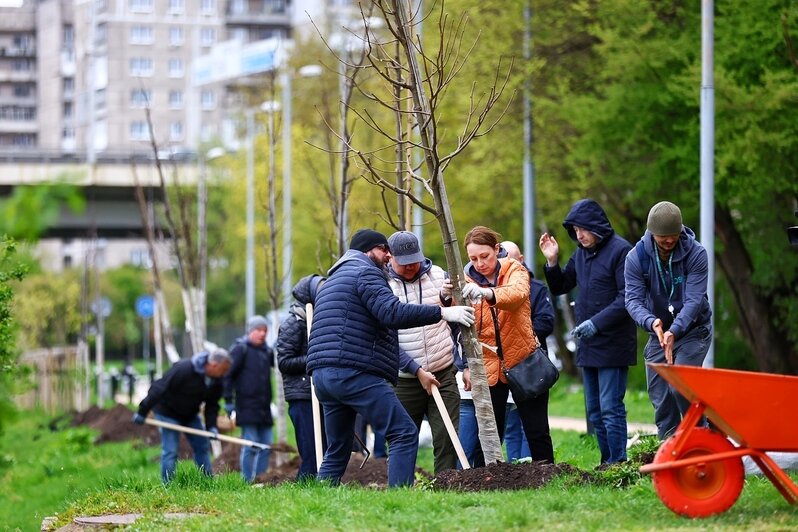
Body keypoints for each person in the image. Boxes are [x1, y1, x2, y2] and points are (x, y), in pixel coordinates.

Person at [306, 228, 476, 487]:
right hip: (352, 372)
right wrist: (442, 313)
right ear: (367, 251)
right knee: (404, 433)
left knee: (338, 445)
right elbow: (391, 313)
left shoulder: (335, 278)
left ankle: (319, 498)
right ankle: (400, 497)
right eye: (383, 250)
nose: (388, 255)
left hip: (323, 376)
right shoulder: (366, 272)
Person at [539, 199, 636, 465]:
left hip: (613, 343)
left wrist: (596, 323)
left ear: (597, 226)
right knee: (594, 412)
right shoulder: (581, 253)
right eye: (575, 230)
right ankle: (607, 462)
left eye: (583, 229)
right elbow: (561, 286)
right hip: (589, 345)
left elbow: (627, 297)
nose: (579, 235)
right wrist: (552, 261)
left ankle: (618, 462)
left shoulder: (621, 251)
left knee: (610, 408)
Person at [462, 225, 555, 464]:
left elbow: (517, 295)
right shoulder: (464, 279)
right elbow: (459, 323)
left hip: (523, 360)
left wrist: (487, 293)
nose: (480, 263)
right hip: (489, 367)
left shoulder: (515, 269)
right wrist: (445, 297)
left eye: (485, 256)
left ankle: (546, 476)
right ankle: (488, 480)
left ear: (496, 249)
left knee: (536, 431)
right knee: (490, 434)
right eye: (473, 258)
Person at [625, 200, 712, 440]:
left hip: (693, 330)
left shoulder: (696, 253)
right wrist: (651, 322)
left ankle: (700, 440)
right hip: (658, 332)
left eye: (674, 235)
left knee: (680, 387)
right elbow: (632, 301)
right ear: (652, 233)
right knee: (661, 396)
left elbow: (694, 300)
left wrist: (675, 330)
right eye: (663, 237)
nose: (669, 241)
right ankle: (670, 448)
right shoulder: (636, 258)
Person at [387, 230, 460, 474]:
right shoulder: (382, 286)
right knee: (403, 437)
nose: (410, 267)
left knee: (447, 436)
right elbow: (385, 339)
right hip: (405, 379)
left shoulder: (438, 275)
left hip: (443, 371)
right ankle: (402, 489)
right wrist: (416, 370)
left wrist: (447, 299)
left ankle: (444, 486)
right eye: (404, 263)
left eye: (414, 261)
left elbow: (456, 318)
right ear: (390, 258)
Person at [132, 348, 231, 483]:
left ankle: (207, 481)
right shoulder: (184, 369)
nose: (224, 374)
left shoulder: (216, 381)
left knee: (202, 445)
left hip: (189, 414)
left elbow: (212, 406)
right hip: (167, 413)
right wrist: (142, 411)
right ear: (214, 365)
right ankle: (168, 485)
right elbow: (159, 388)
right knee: (171, 450)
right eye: (223, 370)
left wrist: (211, 426)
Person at [500, 240, 556, 462]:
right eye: (504, 259)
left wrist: (517, 337)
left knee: (535, 426)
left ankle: (541, 467)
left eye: (512, 258)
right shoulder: (492, 288)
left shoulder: (537, 288)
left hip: (530, 364)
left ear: (521, 260)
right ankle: (516, 466)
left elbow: (546, 323)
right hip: (500, 365)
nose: (509, 263)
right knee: (510, 425)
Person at [276, 274, 328, 480]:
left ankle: (324, 489)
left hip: (321, 393)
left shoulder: (320, 321)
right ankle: (305, 488)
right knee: (310, 451)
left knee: (324, 448)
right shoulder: (293, 324)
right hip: (302, 396)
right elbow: (285, 362)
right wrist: (313, 359)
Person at [224, 315, 275, 482]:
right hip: (246, 405)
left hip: (264, 407)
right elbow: (228, 376)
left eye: (265, 331)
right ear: (250, 331)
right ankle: (247, 481)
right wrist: (228, 401)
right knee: (251, 444)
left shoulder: (267, 351)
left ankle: (260, 479)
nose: (262, 334)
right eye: (258, 330)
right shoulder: (240, 349)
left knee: (266, 446)